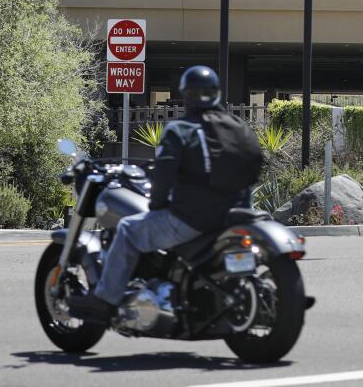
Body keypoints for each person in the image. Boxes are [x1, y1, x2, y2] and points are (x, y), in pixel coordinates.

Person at [68, 65, 246, 323]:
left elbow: (164, 177)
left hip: (193, 220)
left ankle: (104, 300)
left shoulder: (181, 130)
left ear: (186, 95)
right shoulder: (235, 129)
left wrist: (158, 205)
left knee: (129, 228)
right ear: (216, 93)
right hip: (234, 214)